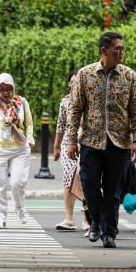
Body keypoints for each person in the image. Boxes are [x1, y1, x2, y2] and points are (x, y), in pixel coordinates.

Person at [67, 32, 136, 248]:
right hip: (91, 142)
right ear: (104, 50)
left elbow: (135, 111)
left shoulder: (130, 76)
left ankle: (109, 233)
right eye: (117, 49)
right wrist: (70, 140)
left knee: (113, 191)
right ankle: (95, 218)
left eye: (123, 49)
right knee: (89, 184)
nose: (121, 52)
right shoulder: (85, 74)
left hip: (120, 143)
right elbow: (75, 108)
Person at [0, 72, 35, 229]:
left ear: (13, 88)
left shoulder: (21, 102)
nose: (6, 92)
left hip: (20, 148)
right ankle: (0, 218)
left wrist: (29, 138)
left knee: (17, 183)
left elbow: (29, 122)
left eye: (9, 89)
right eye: (2, 89)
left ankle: (20, 207)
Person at [53, 69, 90, 235]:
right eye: (71, 82)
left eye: (77, 82)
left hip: (87, 144)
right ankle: (68, 218)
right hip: (68, 144)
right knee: (69, 175)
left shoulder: (90, 100)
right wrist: (56, 146)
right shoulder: (65, 102)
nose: (74, 85)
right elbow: (60, 125)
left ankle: (87, 218)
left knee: (85, 178)